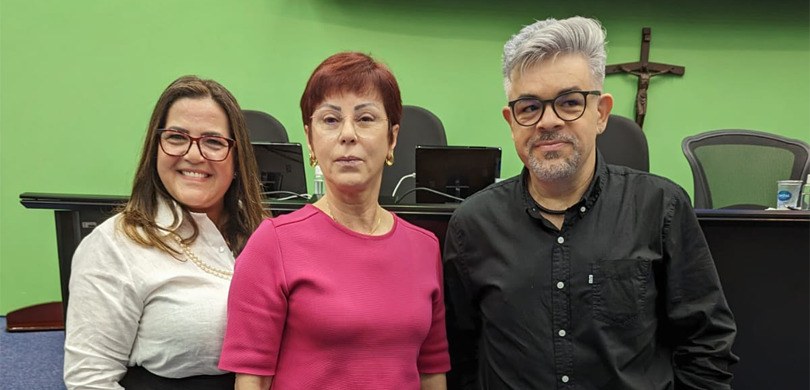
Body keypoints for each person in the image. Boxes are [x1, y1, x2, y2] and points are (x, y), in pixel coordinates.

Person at [443, 17, 738, 389]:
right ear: (511, 120)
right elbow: (459, 353)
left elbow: (706, 344)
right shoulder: (473, 225)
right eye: (529, 107)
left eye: (569, 102)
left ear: (600, 113)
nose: (548, 121)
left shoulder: (660, 207)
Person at [218, 52, 450, 389]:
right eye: (330, 120)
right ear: (310, 139)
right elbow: (252, 381)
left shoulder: (424, 248)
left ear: (393, 138)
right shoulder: (273, 243)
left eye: (366, 118)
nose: (348, 134)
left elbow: (432, 373)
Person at [63, 75, 267, 389]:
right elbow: (89, 380)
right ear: (156, 147)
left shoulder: (266, 236)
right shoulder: (114, 245)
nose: (194, 155)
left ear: (237, 158)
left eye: (213, 141)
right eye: (176, 137)